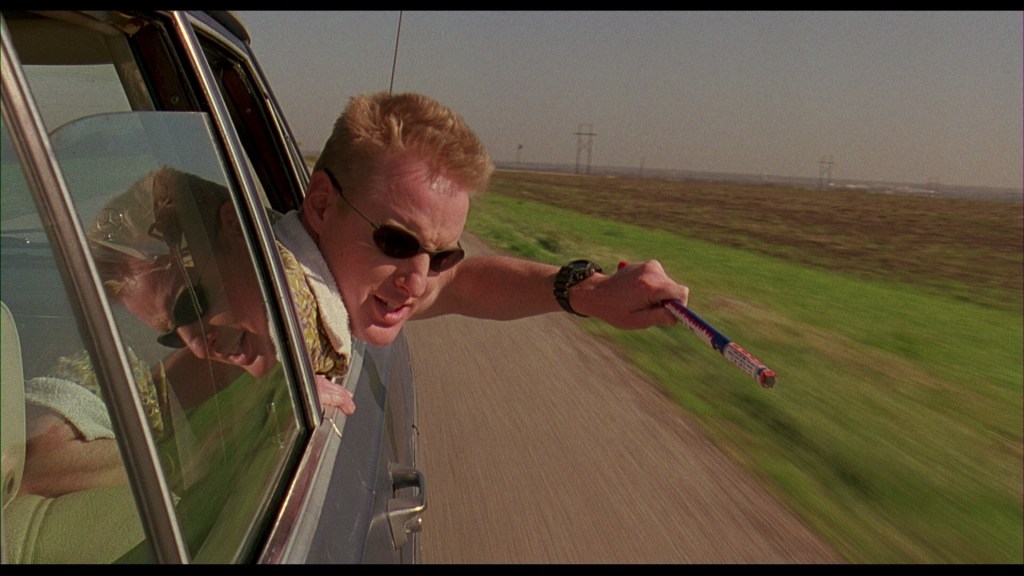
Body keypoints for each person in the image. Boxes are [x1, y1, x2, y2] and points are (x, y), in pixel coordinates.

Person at [278, 91, 688, 352]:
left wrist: (594, 293)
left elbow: (461, 285)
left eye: (441, 257)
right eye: (397, 243)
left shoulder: (343, 284)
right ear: (321, 205)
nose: (419, 284)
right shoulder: (272, 306)